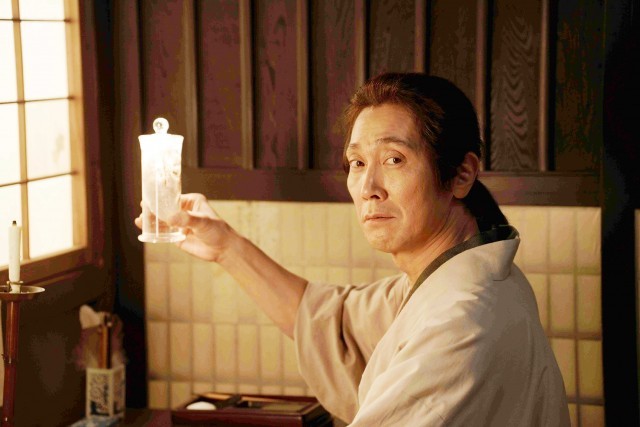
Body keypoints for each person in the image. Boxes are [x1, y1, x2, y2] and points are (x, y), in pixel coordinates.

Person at [138, 73, 570, 426]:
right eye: (358, 163)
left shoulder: (462, 321)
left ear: (461, 174)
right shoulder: (450, 279)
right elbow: (330, 322)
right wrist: (226, 247)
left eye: (394, 159)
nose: (368, 188)